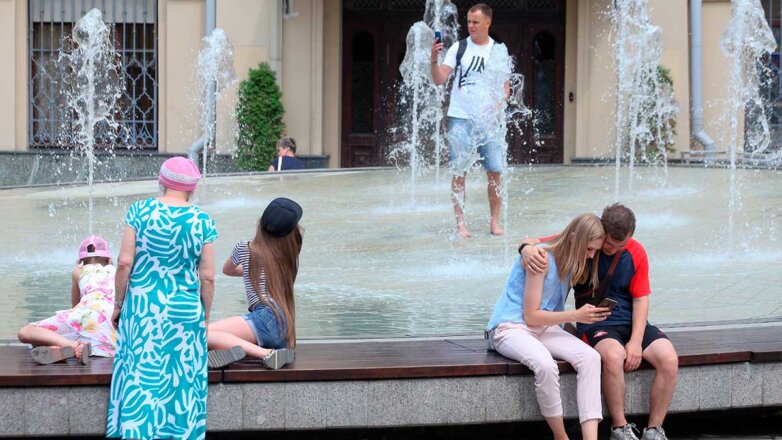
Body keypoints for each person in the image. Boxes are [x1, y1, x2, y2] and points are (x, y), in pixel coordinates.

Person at [521, 204, 679, 440]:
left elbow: (641, 299)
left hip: (630, 321)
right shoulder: (587, 241)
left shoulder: (636, 251)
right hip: (595, 322)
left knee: (669, 358)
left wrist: (636, 341)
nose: (611, 250)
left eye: (620, 246)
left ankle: (654, 430)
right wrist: (525, 249)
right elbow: (536, 242)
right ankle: (620, 428)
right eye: (609, 243)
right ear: (602, 231)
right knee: (614, 356)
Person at [107, 157, 217, 440]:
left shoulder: (139, 211)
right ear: (191, 187)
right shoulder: (202, 221)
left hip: (142, 308)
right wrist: (205, 316)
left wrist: (118, 304)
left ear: (162, 181)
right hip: (185, 311)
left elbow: (124, 263)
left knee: (140, 375)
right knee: (181, 379)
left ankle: (136, 432)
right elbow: (207, 277)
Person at [487, 213, 610, 440]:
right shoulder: (541, 259)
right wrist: (577, 315)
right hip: (511, 327)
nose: (591, 256)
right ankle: (561, 436)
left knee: (591, 358)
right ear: (574, 239)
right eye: (589, 249)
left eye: (595, 250)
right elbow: (531, 316)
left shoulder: (571, 258)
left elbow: (541, 238)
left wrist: (525, 245)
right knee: (545, 365)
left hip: (545, 328)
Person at [430, 3, 510, 238]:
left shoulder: (498, 51)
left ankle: (494, 222)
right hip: (460, 118)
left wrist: (495, 106)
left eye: (475, 22)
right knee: (459, 171)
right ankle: (461, 225)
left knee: (494, 171)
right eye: (468, 22)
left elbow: (505, 89)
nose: (471, 26)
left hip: (488, 120)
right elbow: (439, 79)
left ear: (488, 22)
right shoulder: (459, 47)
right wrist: (433, 60)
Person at [206, 197, 302, 370]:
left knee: (199, 333)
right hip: (282, 326)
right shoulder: (288, 255)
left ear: (261, 222)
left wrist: (250, 268)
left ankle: (266, 354)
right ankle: (238, 350)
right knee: (215, 340)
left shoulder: (244, 248)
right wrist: (255, 269)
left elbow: (228, 270)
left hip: (265, 318)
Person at [17, 236, 117, 365]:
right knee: (60, 335)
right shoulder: (118, 272)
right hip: (112, 324)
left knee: (28, 332)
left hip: (86, 315)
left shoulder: (78, 271)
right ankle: (69, 348)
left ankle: (73, 347)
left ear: (79, 261)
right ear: (109, 260)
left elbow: (75, 306)